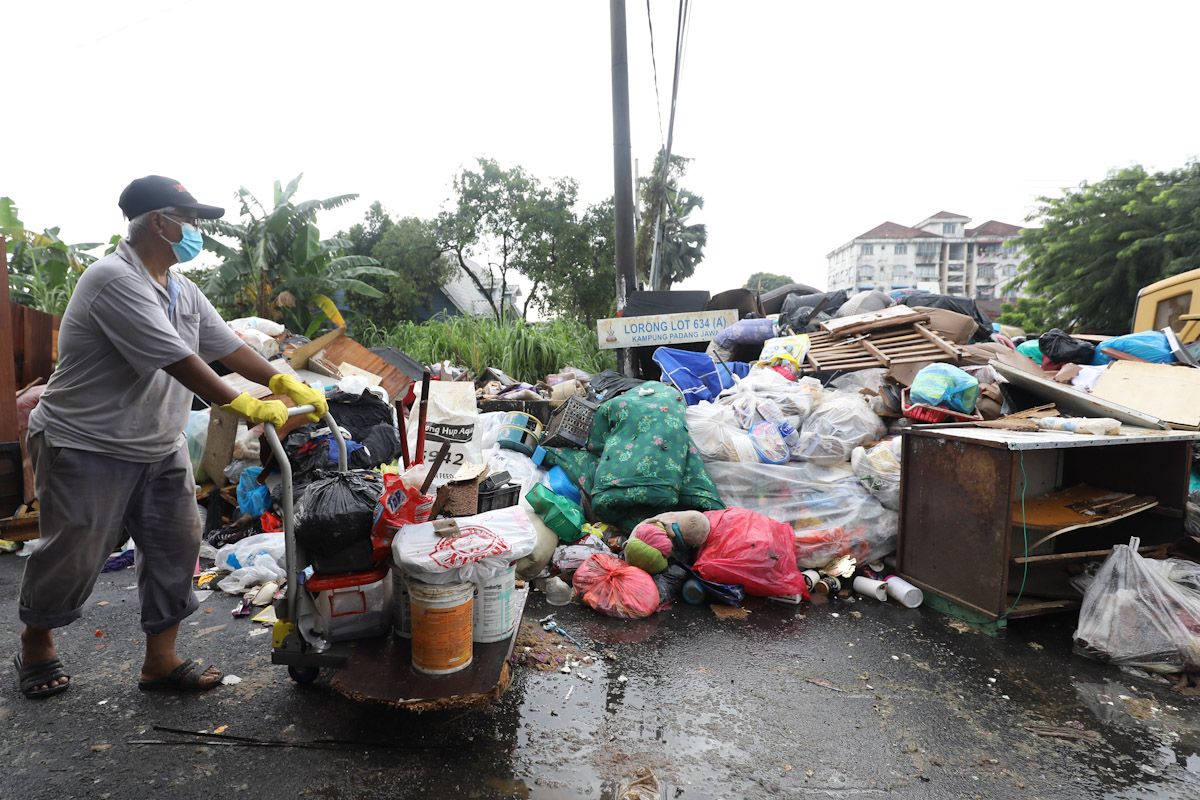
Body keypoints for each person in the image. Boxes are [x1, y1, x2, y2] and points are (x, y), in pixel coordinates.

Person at [14, 175, 327, 698]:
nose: (196, 230)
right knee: (73, 552)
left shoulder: (182, 289)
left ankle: (160, 662)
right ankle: (36, 643)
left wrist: (280, 379)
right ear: (159, 222)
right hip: (88, 441)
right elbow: (178, 359)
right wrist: (238, 400)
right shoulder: (113, 279)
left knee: (175, 546)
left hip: (158, 444)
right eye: (190, 219)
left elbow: (226, 346)